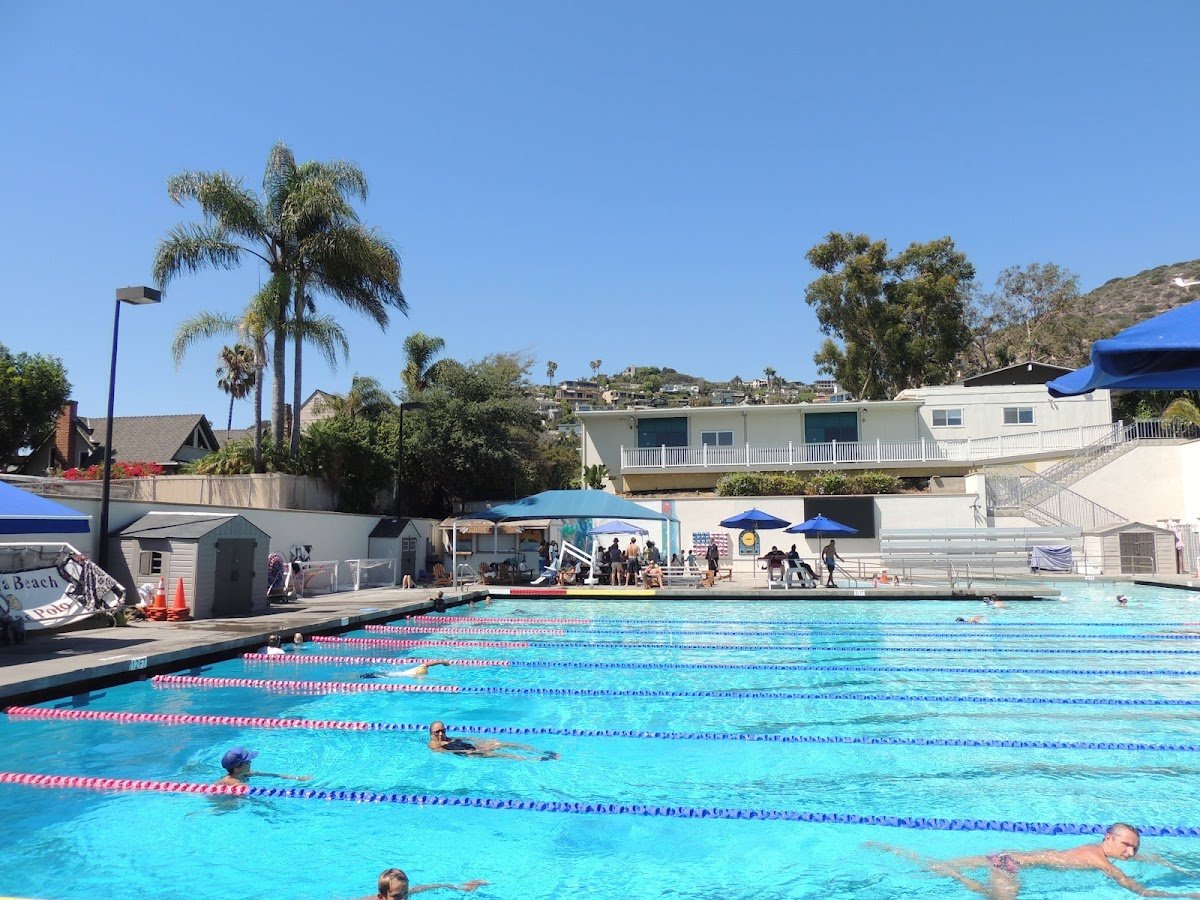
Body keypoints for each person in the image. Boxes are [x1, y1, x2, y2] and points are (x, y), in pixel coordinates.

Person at [870, 823, 1200, 898]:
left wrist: (1177, 867)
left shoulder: (1097, 849)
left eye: (1135, 850)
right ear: (1108, 838)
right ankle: (958, 878)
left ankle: (897, 851)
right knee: (995, 898)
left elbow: (1150, 857)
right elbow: (1135, 889)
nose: (1131, 854)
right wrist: (1184, 896)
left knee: (932, 866)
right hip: (1007, 864)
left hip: (1006, 855)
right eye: (1128, 846)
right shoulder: (1098, 859)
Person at [427, 720, 558, 761]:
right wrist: (472, 751)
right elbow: (446, 753)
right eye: (437, 732)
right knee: (500, 754)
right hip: (467, 752)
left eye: (442, 730)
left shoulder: (446, 737)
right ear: (431, 733)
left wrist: (481, 741)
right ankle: (533, 759)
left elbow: (460, 739)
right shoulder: (434, 745)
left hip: (469, 746)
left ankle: (540, 751)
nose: (440, 733)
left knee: (502, 744)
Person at [368, 867, 487, 899]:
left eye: (406, 894)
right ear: (381, 897)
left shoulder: (402, 894)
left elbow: (430, 886)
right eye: (396, 897)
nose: (404, 899)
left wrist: (461, 887)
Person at [215, 747, 312, 786]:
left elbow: (273, 775)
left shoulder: (245, 774)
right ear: (237, 767)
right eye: (247, 761)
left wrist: (298, 778)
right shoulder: (233, 782)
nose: (250, 762)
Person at [362, 660, 452, 679]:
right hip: (393, 675)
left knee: (380, 674)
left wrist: (442, 662)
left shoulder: (420, 668)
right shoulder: (416, 674)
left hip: (395, 673)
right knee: (378, 676)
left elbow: (429, 663)